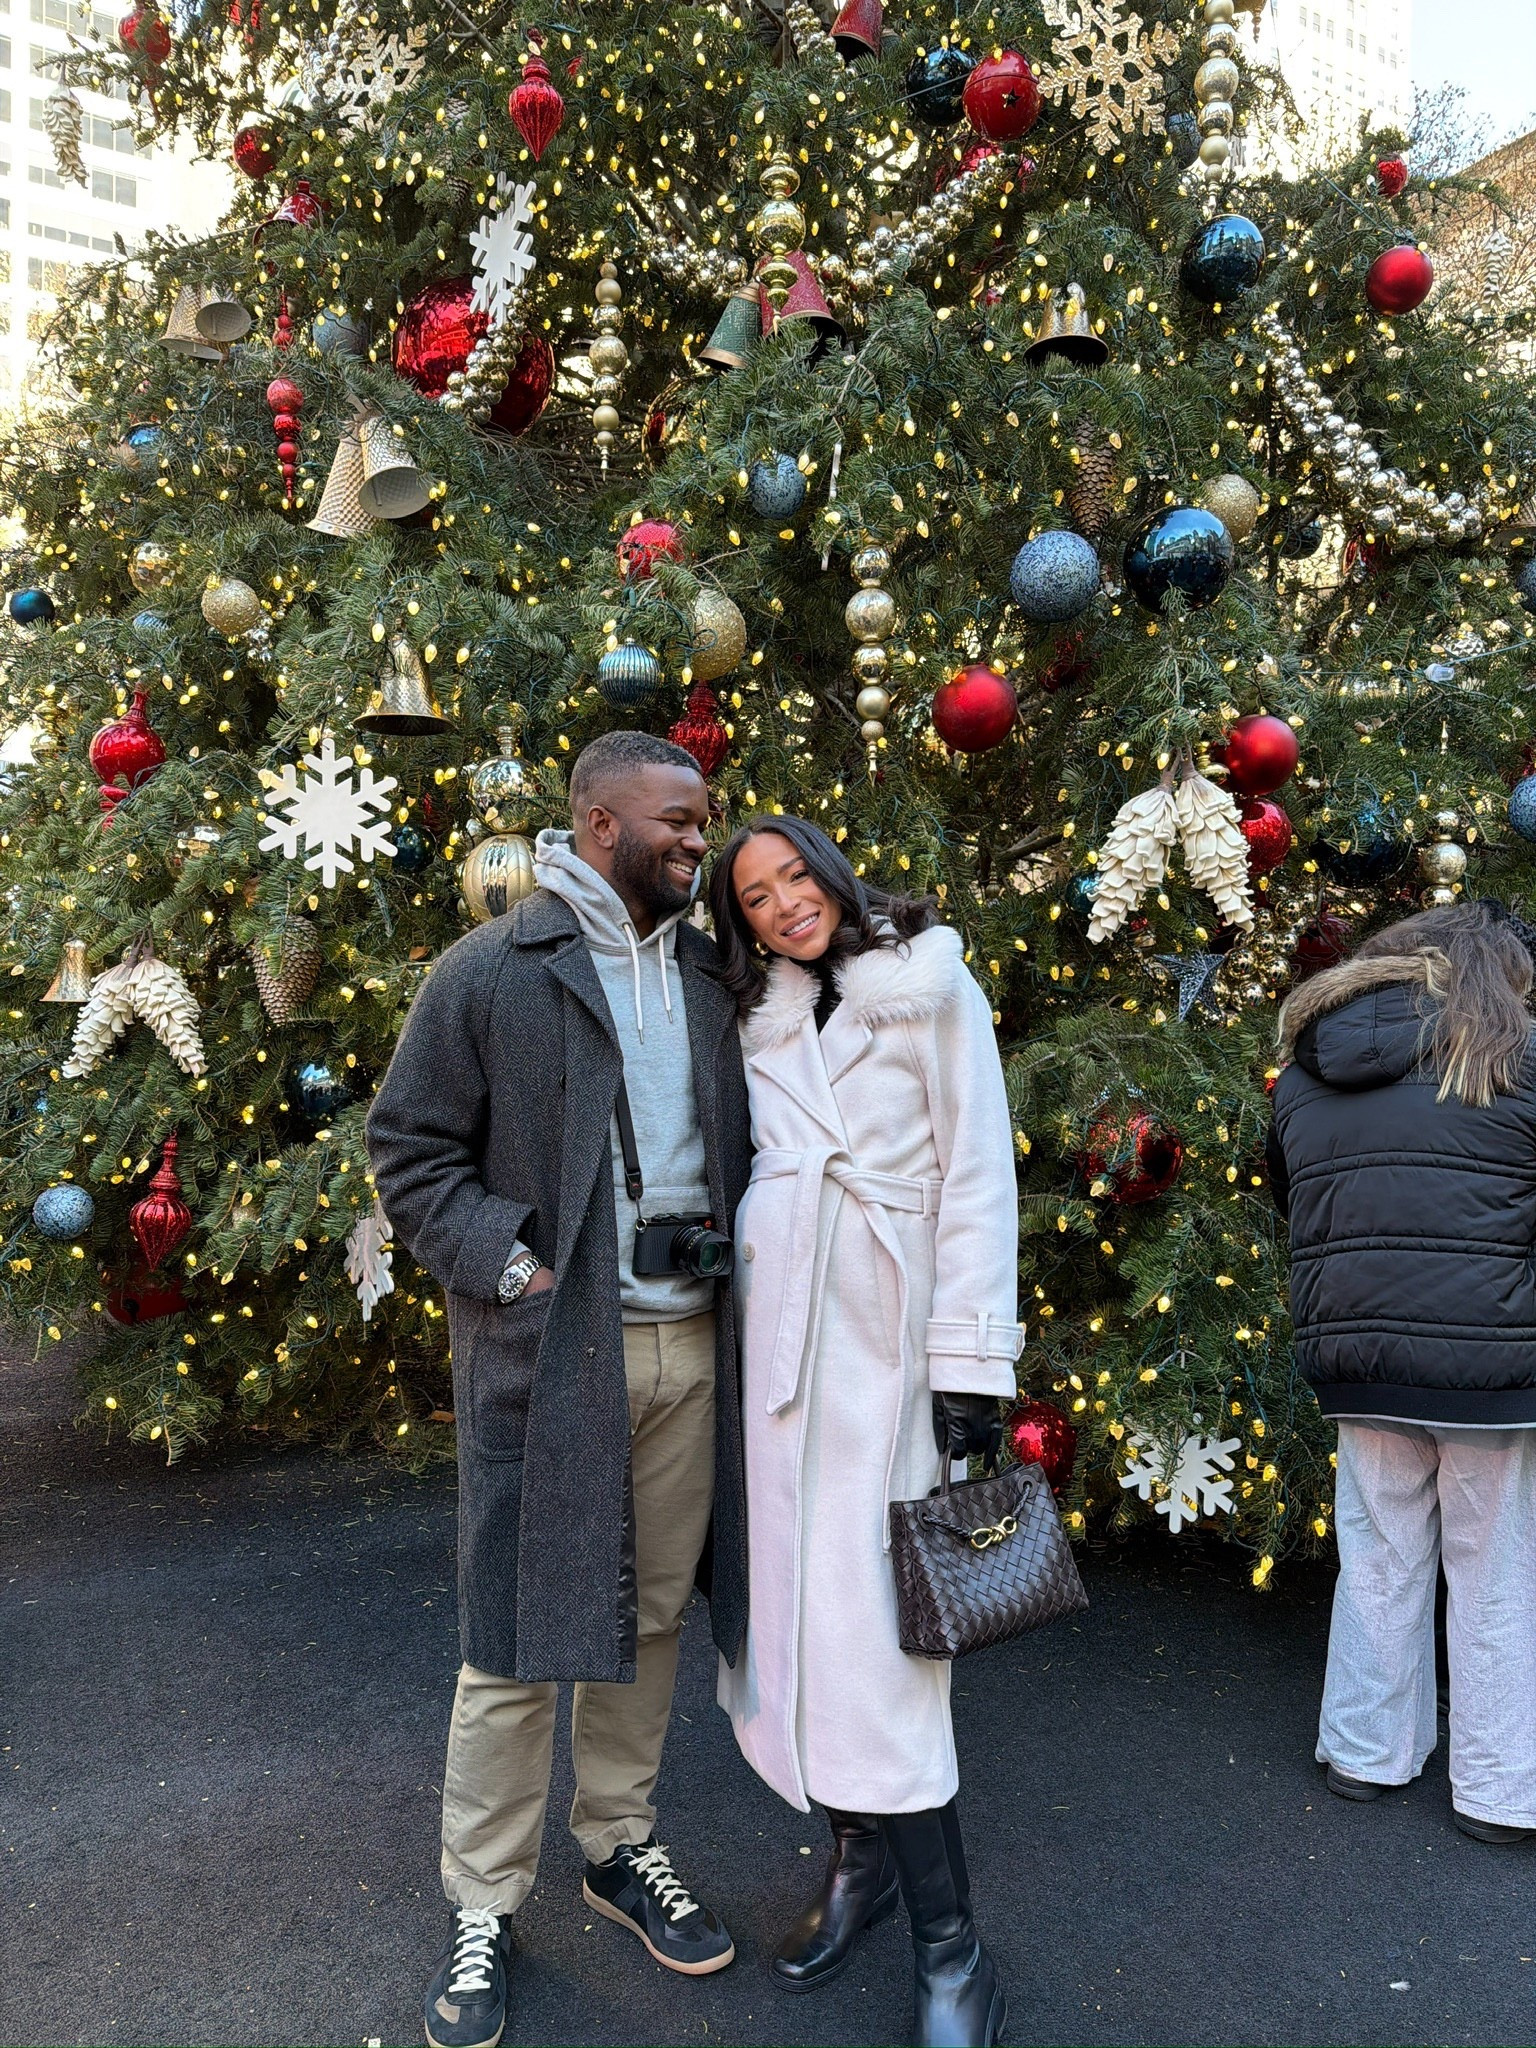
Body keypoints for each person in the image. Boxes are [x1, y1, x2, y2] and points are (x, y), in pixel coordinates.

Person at [366, 731, 753, 2048]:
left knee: (649, 1620)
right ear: (599, 825)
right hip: (551, 1350)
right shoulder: (489, 973)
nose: (700, 838)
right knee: (516, 1640)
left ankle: (618, 1845)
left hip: (692, 1345)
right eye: (677, 821)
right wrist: (512, 1266)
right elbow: (407, 1146)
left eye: (704, 819)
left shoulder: (715, 975)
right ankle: (482, 1901)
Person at [708, 815, 1023, 2048]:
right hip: (779, 1354)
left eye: (796, 876)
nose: (785, 904)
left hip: (888, 1351)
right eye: (756, 894)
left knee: (884, 1644)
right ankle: (858, 1858)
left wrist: (969, 1364)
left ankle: (955, 1948)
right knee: (794, 1629)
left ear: (834, 872)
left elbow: (979, 1171)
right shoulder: (760, 1014)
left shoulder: (932, 985)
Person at [1268, 899, 1536, 1847]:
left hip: (1357, 1355)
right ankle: (1503, 1795)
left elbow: (1292, 1200)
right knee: (1495, 1568)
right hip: (1494, 1364)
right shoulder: (1514, 1056)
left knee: (1379, 1555)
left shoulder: (1304, 1070)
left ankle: (1364, 1754)